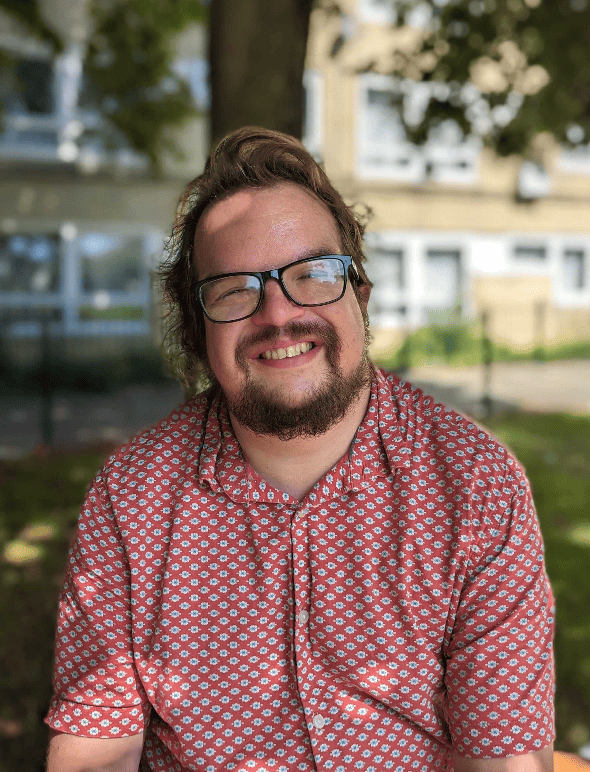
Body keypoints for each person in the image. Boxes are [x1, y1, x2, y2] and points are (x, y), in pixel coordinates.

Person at [45, 127, 555, 772]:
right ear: (198, 332)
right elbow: (97, 752)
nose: (278, 314)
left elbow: (504, 758)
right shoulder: (131, 497)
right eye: (234, 289)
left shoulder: (475, 484)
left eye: (313, 275)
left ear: (360, 298)